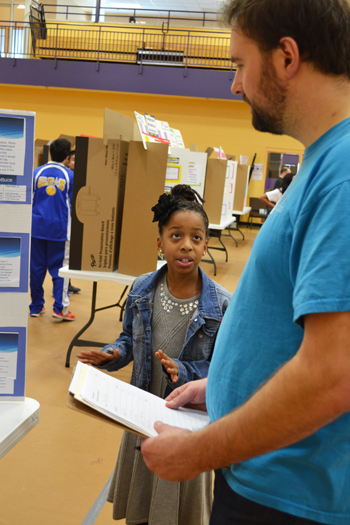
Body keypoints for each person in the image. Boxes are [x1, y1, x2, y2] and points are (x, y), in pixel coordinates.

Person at [140, 1, 350, 524]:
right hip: (270, 478)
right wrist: (225, 382)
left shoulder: (343, 174)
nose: (234, 85)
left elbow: (333, 373)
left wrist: (198, 452)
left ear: (286, 57)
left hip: (289, 498)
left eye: (238, 64)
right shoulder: (324, 160)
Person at [77, 184, 232, 525]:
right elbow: (128, 341)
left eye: (196, 237)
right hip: (142, 416)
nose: (186, 245)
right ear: (160, 242)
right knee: (143, 507)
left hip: (187, 424)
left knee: (180, 509)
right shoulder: (142, 289)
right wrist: (112, 353)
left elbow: (222, 370)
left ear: (206, 245)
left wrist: (184, 370)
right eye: (176, 235)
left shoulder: (222, 305)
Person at [30, 138, 75, 321]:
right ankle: (60, 309)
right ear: (66, 156)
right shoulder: (70, 176)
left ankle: (36, 306)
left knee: (36, 269)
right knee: (60, 270)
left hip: (36, 228)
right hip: (60, 231)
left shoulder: (36, 172)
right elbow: (73, 205)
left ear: (50, 153)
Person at [65, 149, 81, 295]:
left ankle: (67, 283)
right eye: (74, 159)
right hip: (67, 220)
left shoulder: (81, 176)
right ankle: (64, 285)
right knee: (66, 255)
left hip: (76, 218)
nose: (76, 162)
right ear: (68, 161)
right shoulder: (67, 175)